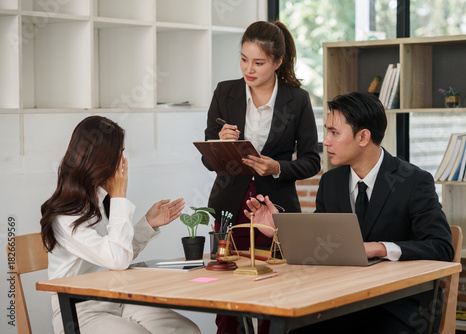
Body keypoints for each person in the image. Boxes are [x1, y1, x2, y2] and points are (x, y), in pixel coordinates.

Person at [245, 91, 454, 334]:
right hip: (342, 302)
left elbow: (441, 248)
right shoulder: (331, 182)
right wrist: (276, 230)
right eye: (327, 131)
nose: (325, 141)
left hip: (398, 306)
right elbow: (318, 248)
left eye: (334, 133)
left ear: (363, 136)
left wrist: (379, 247)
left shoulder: (413, 181)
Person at [203, 20, 321, 334]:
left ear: (278, 62)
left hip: (276, 209)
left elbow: (312, 160)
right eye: (243, 59)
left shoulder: (297, 100)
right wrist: (220, 144)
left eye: (258, 62)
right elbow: (208, 159)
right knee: (228, 296)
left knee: (277, 292)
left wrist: (278, 168)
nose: (248, 69)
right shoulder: (225, 92)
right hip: (229, 206)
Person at [40, 116, 200, 334]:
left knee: (185, 329)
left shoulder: (99, 198)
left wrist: (147, 224)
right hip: (78, 311)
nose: (123, 161)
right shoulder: (65, 216)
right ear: (100, 158)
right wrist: (119, 196)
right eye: (119, 153)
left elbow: (114, 256)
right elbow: (117, 259)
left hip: (115, 298)